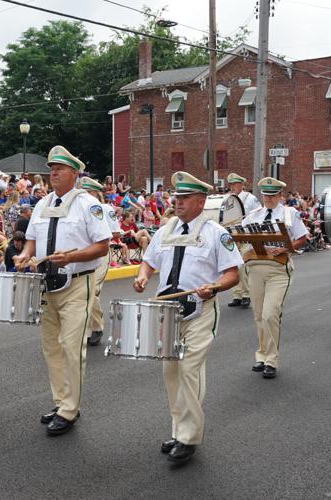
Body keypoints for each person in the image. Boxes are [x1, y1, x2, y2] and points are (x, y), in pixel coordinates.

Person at [132, 171, 242, 464]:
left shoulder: (216, 233)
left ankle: (188, 437)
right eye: (176, 197)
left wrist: (216, 286)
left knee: (189, 370)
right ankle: (178, 429)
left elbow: (232, 273)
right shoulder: (166, 229)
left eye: (184, 198)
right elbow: (148, 262)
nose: (177, 203)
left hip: (200, 311)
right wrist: (142, 277)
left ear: (200, 201)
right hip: (167, 312)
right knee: (171, 374)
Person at [12, 145, 112, 436]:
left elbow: (102, 245)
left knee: (71, 348)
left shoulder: (87, 204)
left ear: (74, 174)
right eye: (51, 169)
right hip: (47, 284)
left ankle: (70, 409)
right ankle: (60, 401)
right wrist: (24, 255)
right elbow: (31, 240)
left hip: (78, 283)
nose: (53, 173)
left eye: (59, 169)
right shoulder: (42, 204)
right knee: (51, 348)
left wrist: (71, 257)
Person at [240, 177, 308, 379]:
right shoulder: (253, 215)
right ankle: (261, 356)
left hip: (278, 269)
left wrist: (286, 247)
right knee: (259, 315)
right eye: (266, 194)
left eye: (273, 195)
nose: (268, 198)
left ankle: (271, 360)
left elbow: (303, 238)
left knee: (271, 314)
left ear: (280, 196)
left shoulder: (290, 213)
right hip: (254, 268)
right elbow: (242, 237)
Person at [78, 176, 120, 347]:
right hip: (82, 254)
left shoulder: (103, 209)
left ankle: (96, 327)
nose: (84, 195)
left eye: (88, 192)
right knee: (83, 291)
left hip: (100, 254)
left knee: (92, 291)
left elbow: (115, 233)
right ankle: (89, 326)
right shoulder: (76, 209)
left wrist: (100, 232)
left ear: (95, 193)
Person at [226, 172, 261, 308]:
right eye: (231, 184)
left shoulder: (250, 198)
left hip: (246, 235)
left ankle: (247, 294)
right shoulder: (228, 199)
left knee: (243, 266)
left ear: (242, 184)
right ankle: (237, 295)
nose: (232, 187)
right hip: (232, 235)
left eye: (235, 184)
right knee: (233, 265)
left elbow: (258, 215)